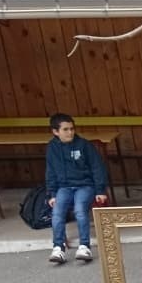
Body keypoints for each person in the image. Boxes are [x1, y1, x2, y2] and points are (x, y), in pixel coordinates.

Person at [46, 112, 107, 264]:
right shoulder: (52, 148)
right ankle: (58, 248)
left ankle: (84, 246)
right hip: (64, 187)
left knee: (80, 210)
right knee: (57, 213)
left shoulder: (84, 145)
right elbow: (50, 171)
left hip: (85, 185)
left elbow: (97, 168)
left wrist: (100, 190)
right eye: (65, 129)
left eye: (72, 129)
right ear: (55, 132)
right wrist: (52, 193)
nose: (70, 132)